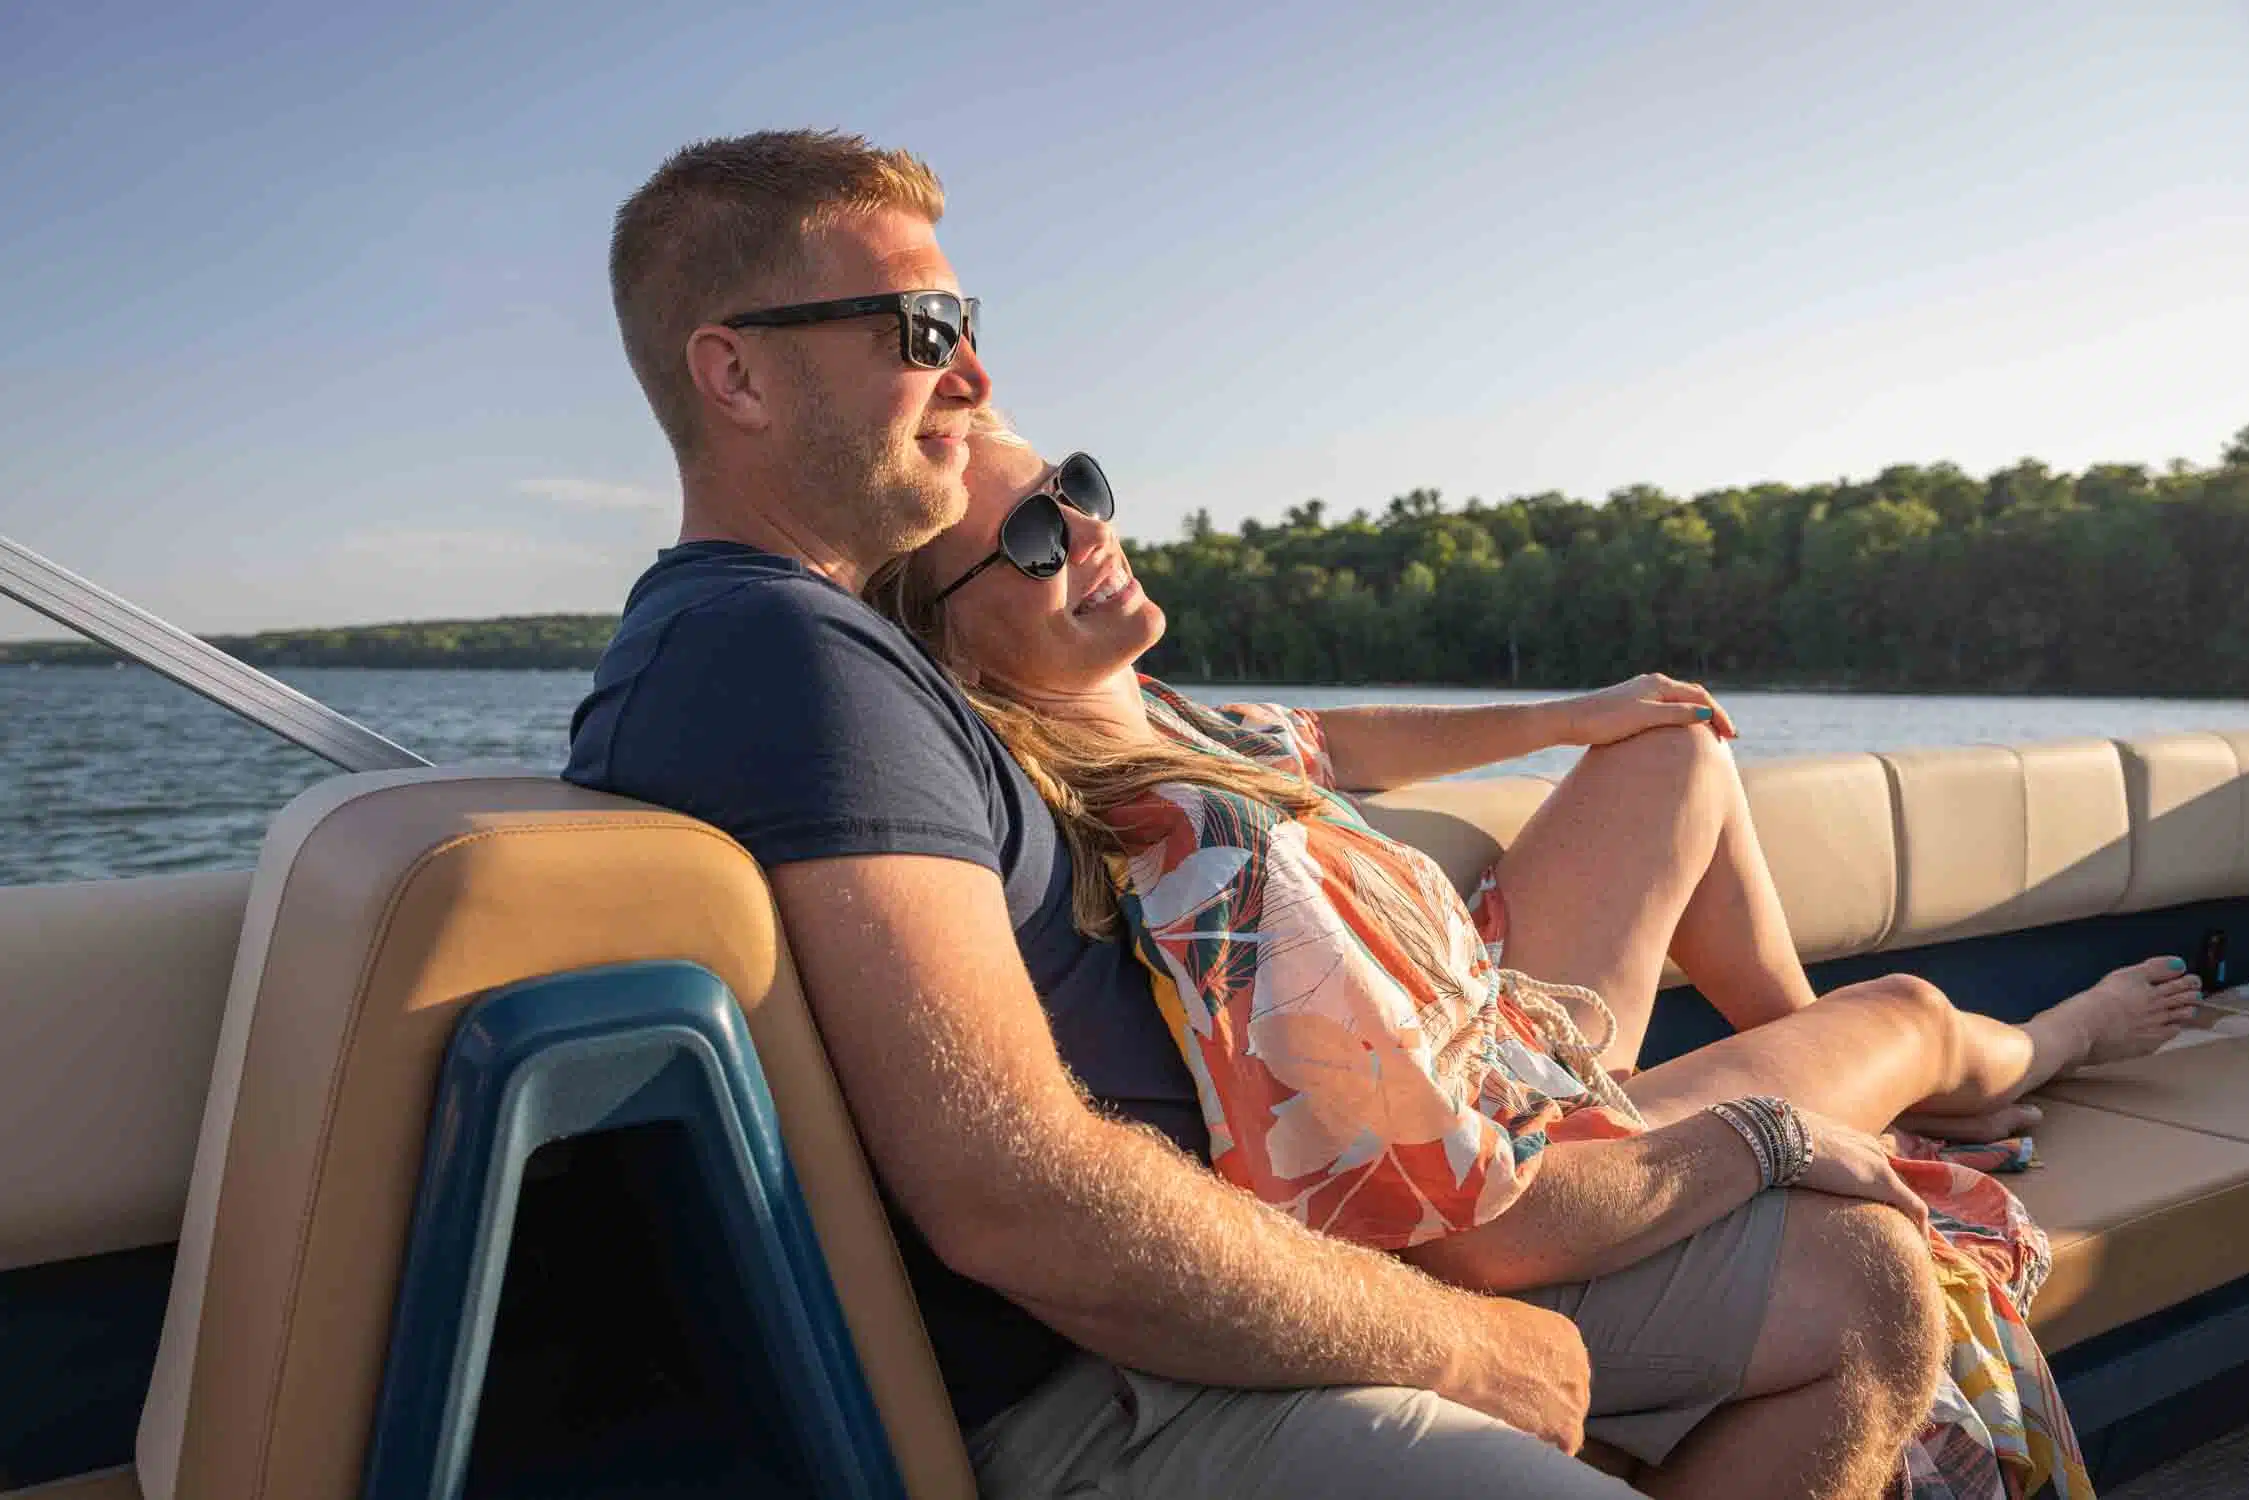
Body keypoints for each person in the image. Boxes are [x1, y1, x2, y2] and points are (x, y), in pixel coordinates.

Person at [566, 129, 1642, 1500]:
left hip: (1201, 1298)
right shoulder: (783, 656)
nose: (972, 373)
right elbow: (1010, 1191)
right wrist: (1461, 1346)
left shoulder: (819, 652)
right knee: (1819, 1257)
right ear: (735, 375)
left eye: (967, 322)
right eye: (922, 328)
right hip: (1105, 1391)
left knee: (1852, 1291)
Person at [865, 422, 2201, 1498]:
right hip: (1521, 1134)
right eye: (1035, 540)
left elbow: (1327, 742)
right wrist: (1770, 1137)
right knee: (1905, 1009)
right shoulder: (1201, 854)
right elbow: (1465, 1221)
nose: (1089, 534)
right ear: (952, 646)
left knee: (1673, 747)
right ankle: (2052, 1041)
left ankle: (1851, 1068)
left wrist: (1578, 715)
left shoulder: (1161, 718)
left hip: (1492, 1030)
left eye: (1077, 487)